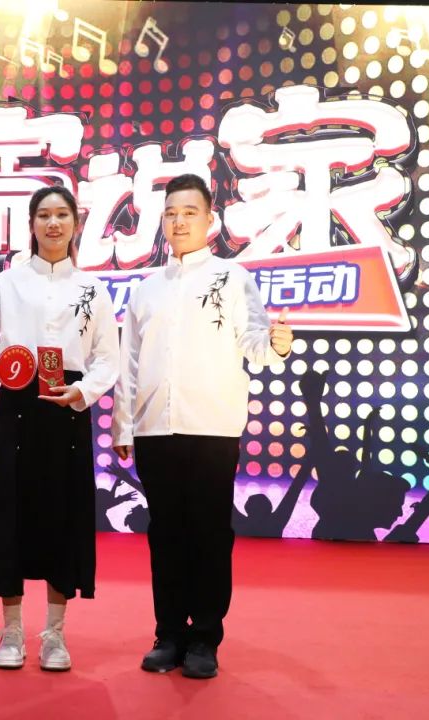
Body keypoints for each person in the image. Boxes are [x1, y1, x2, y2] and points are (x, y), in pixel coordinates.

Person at [111, 173, 292, 679]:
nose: (179, 221)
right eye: (171, 213)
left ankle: (205, 638)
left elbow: (254, 343)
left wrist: (276, 344)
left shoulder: (232, 278)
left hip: (213, 427)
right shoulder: (145, 290)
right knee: (165, 535)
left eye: (189, 212)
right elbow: (129, 364)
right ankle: (168, 634)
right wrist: (123, 427)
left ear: (210, 220)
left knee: (210, 536)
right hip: (155, 429)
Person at [0, 185, 120, 672]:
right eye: (44, 215)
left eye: (62, 215)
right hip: (17, 407)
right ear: (31, 224)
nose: (53, 223)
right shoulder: (6, 283)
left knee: (63, 517)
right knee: (11, 514)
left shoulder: (93, 289)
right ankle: (11, 631)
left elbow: (107, 358)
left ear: (75, 224)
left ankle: (54, 634)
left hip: (67, 406)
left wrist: (83, 392)